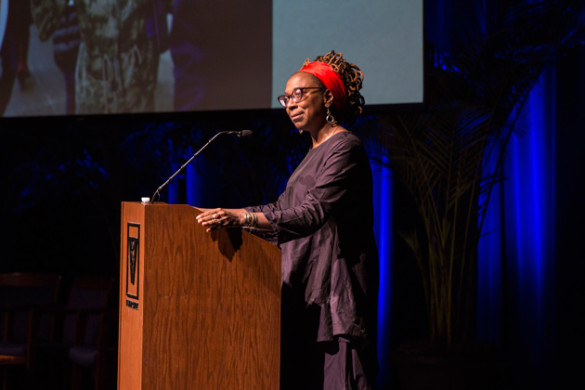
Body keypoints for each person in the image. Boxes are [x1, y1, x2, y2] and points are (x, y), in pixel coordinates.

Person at [196, 51, 379, 390]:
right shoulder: (311, 154)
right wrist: (234, 218)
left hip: (335, 295)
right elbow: (283, 207)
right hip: (306, 291)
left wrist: (243, 216)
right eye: (286, 98)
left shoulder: (345, 148)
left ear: (326, 97)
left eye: (299, 94)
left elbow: (310, 214)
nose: (290, 105)